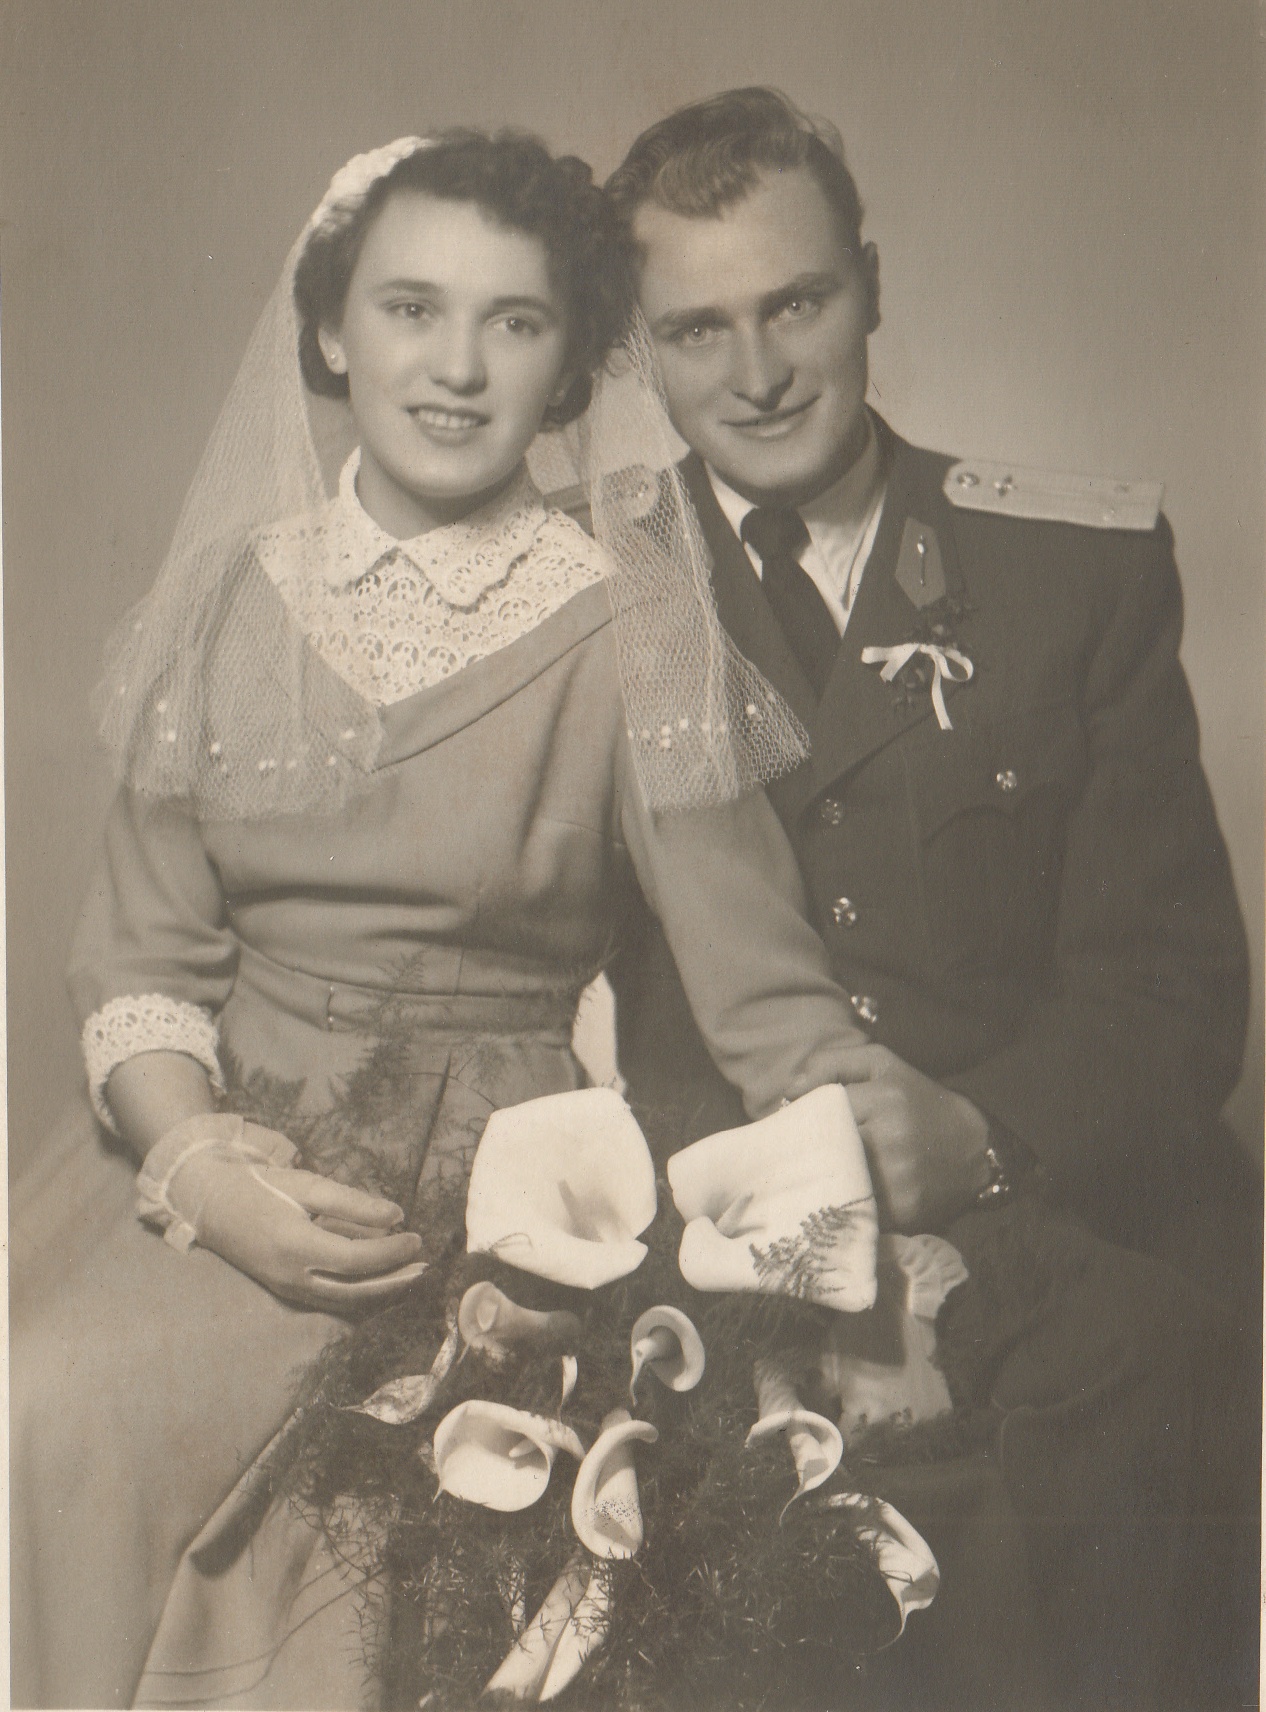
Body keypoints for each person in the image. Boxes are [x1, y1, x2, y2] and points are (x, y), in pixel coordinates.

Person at [9, 127, 881, 1710]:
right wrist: (200, 1168)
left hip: (489, 1202)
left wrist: (882, 1216)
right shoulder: (224, 597)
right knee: (45, 1405)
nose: (458, 368)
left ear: (570, 366)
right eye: (410, 309)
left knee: (382, 1547)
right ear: (334, 332)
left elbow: (763, 994)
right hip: (208, 1152)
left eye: (515, 321)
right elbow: (137, 963)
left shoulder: (635, 612)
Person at [601, 87, 1259, 1706]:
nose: (756, 373)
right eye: (696, 330)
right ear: (638, 352)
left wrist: (975, 1138)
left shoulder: (1073, 568)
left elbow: (1173, 995)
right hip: (727, 1254)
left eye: (796, 304)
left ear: (872, 287)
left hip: (1068, 1237)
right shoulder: (595, 585)